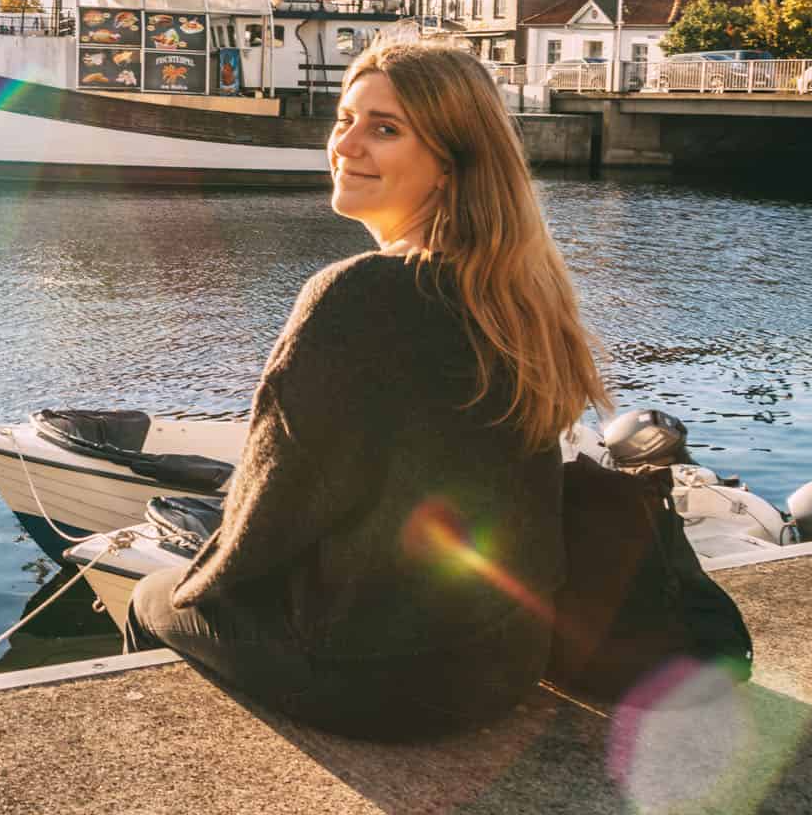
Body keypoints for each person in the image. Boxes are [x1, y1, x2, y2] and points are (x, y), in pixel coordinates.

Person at [125, 39, 611, 740]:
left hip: (391, 680)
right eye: (345, 119)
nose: (346, 144)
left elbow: (269, 514)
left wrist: (199, 580)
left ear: (450, 164)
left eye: (385, 129)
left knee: (155, 598)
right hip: (506, 661)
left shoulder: (355, 294)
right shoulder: (517, 294)